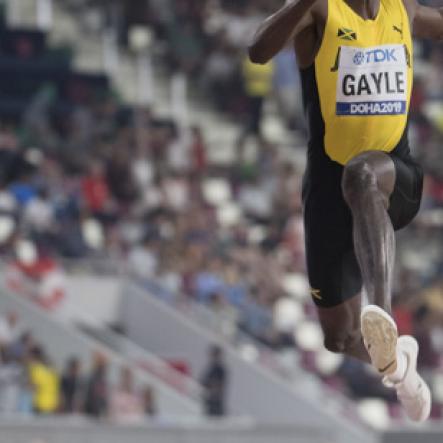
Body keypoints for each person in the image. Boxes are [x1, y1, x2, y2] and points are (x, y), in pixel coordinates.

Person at [249, 0, 443, 422]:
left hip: (396, 177)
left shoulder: (402, 10)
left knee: (363, 175)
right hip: (328, 191)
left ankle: (384, 315)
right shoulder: (319, 10)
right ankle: (400, 365)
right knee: (339, 337)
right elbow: (258, 51)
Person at [200, 345, 228, 417]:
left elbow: (218, 385)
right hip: (210, 401)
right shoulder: (211, 368)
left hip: (215, 402)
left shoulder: (219, 369)